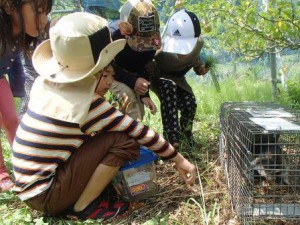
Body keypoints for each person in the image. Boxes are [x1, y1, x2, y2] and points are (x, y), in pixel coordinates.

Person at [12, 12, 197, 221]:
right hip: (47, 193)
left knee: (106, 137)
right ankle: (83, 206)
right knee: (123, 141)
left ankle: (83, 195)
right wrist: (179, 159)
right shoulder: (88, 103)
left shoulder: (45, 84)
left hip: (30, 188)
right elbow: (138, 131)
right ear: (96, 70)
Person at [0, 0, 53, 192]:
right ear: (8, 6)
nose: (44, 19)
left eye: (46, 12)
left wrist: (18, 88)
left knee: (12, 120)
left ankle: (23, 164)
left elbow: (25, 66)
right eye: (39, 12)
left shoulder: (19, 34)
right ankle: (1, 173)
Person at [149, 9, 209, 148]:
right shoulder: (160, 53)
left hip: (179, 79)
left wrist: (200, 69)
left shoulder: (198, 44)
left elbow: (196, 61)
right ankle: (172, 138)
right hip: (160, 78)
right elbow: (148, 71)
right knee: (169, 92)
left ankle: (186, 135)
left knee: (189, 103)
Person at [110, 0, 160, 121]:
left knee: (139, 114)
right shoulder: (114, 38)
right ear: (124, 28)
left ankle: (134, 135)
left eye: (147, 38)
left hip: (132, 77)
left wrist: (144, 94)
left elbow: (144, 64)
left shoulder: (152, 42)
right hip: (110, 75)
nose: (143, 46)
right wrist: (133, 81)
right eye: (139, 38)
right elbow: (107, 66)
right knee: (129, 99)